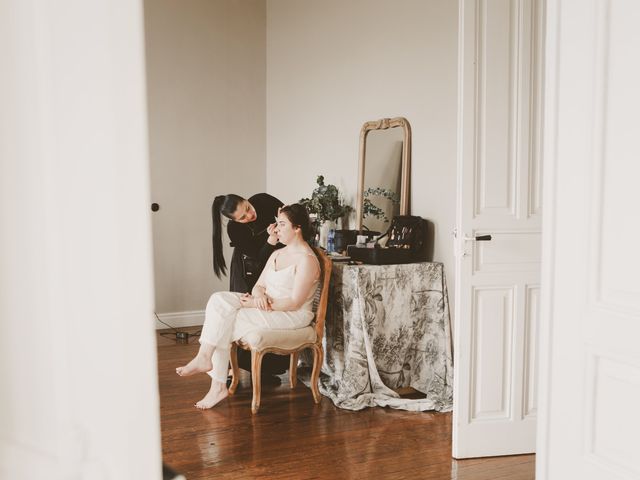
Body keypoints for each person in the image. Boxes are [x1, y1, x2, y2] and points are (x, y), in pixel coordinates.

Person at [177, 204, 320, 409]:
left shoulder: (307, 260)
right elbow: (258, 285)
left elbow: (295, 302)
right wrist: (259, 295)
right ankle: (204, 356)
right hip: (266, 304)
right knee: (219, 300)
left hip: (291, 314)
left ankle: (216, 385)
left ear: (297, 228)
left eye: (281, 224)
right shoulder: (278, 253)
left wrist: (255, 303)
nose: (276, 229)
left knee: (229, 319)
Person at [212, 193, 291, 377]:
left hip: (277, 259)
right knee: (245, 311)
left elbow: (288, 216)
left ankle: (266, 371)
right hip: (249, 265)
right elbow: (258, 257)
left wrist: (283, 220)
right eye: (242, 218)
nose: (249, 216)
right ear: (234, 221)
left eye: (247, 208)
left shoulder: (262, 200)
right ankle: (233, 368)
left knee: (270, 311)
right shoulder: (235, 230)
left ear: (247, 200)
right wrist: (271, 240)